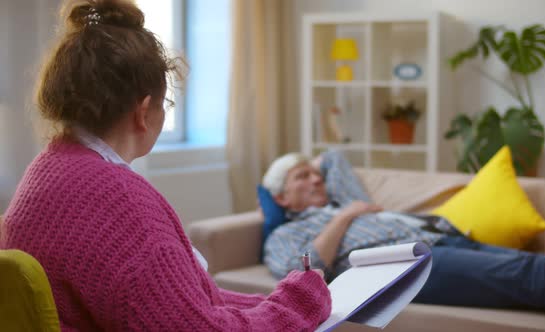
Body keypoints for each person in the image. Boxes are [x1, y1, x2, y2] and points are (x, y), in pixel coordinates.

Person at [0, 1, 331, 330]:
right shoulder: (119, 200)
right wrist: (301, 302)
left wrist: (275, 302)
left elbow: (182, 301)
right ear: (144, 112)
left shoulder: (48, 169)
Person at [262, 149, 545, 318]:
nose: (317, 180)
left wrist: (328, 185)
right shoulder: (287, 233)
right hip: (407, 262)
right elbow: (301, 270)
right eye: (301, 177)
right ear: (281, 198)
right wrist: (346, 216)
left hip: (446, 237)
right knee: (532, 273)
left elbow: (333, 156)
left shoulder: (345, 198)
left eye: (315, 174)